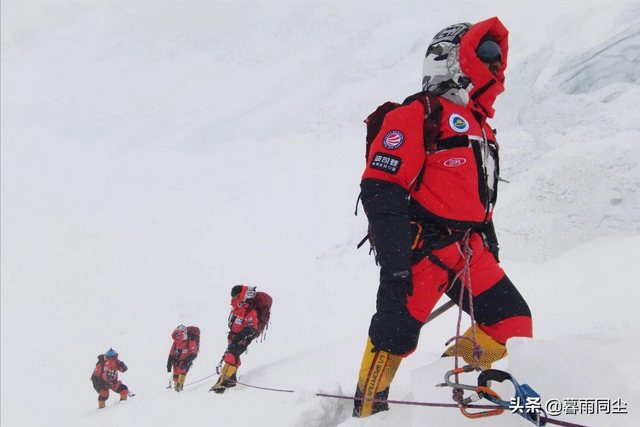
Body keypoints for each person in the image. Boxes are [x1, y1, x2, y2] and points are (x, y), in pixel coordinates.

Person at [353, 17, 533, 418]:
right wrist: (396, 268)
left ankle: (446, 382)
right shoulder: (415, 114)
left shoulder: (479, 126)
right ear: (453, 58)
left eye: (497, 56)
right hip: (421, 254)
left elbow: (476, 195)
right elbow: (381, 191)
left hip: (468, 251)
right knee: (392, 339)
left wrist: (489, 241)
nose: (494, 63)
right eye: (484, 54)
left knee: (513, 323)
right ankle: (365, 413)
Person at [210, 285, 266, 394]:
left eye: (235, 297)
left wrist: (238, 339)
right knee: (232, 357)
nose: (233, 299)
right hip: (234, 337)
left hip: (242, 338)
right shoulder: (238, 307)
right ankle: (229, 380)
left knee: (231, 356)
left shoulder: (250, 310)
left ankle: (225, 382)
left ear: (242, 296)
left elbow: (251, 328)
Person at [167, 324, 199, 392]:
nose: (177, 336)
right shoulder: (175, 342)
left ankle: (179, 388)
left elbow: (194, 354)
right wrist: (169, 364)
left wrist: (185, 362)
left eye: (178, 334)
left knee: (181, 371)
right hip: (176, 361)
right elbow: (171, 353)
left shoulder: (190, 342)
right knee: (175, 375)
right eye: (176, 335)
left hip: (185, 362)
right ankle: (176, 389)